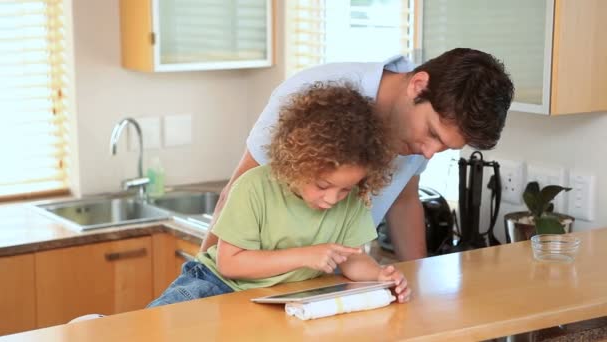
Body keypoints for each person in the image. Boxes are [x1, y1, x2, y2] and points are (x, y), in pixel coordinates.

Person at [201, 48, 514, 261]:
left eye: (445, 147)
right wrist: (205, 283)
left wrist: (416, 280)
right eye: (433, 134)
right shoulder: (312, 93)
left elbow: (404, 201)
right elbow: (237, 191)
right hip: (251, 276)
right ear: (418, 86)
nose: (430, 153)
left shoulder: (418, 133)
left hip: (321, 282)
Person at [148, 83, 410, 308]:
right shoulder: (254, 187)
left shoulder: (352, 200)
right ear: (299, 161)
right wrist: (307, 255)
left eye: (344, 189)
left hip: (279, 297)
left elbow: (353, 260)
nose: (332, 199)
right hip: (215, 285)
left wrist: (379, 276)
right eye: (322, 185)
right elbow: (229, 263)